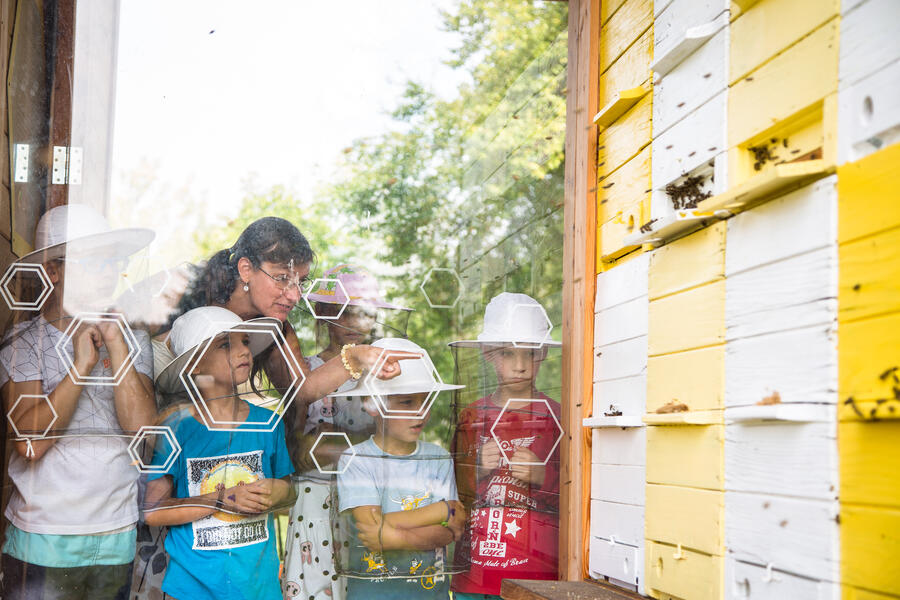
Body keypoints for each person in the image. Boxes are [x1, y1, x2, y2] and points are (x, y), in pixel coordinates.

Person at [0, 204, 157, 599]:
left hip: (116, 534)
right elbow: (30, 444)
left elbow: (145, 435)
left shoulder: (133, 340)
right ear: (52, 271)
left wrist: (117, 345)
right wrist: (81, 366)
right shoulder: (23, 342)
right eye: (92, 261)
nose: (107, 272)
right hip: (44, 536)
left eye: (113, 261)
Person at [143, 306, 296, 600]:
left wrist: (278, 492)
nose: (243, 352)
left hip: (258, 585)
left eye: (245, 342)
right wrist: (219, 500)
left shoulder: (268, 424)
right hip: (191, 587)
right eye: (226, 344)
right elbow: (153, 510)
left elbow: (288, 493)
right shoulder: (177, 428)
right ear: (194, 366)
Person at [283, 264, 411, 600]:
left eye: (364, 313)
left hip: (370, 503)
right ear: (323, 313)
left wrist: (328, 442)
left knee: (368, 584)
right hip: (314, 504)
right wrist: (360, 445)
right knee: (316, 587)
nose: (355, 323)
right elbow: (294, 451)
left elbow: (396, 444)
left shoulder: (386, 375)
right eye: (345, 312)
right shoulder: (306, 372)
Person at [333, 338, 467, 599]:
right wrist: (440, 509)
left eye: (425, 401)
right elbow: (369, 532)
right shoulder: (357, 458)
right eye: (407, 402)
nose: (421, 413)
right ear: (373, 405)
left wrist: (392, 535)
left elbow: (451, 530)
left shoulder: (438, 458)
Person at [448, 293, 561, 599]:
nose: (521, 365)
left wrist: (542, 477)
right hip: (474, 571)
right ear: (487, 353)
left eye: (530, 354)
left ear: (545, 355)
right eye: (508, 354)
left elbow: (578, 495)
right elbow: (450, 489)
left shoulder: (557, 416)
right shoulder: (471, 416)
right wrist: (477, 469)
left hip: (535, 573)